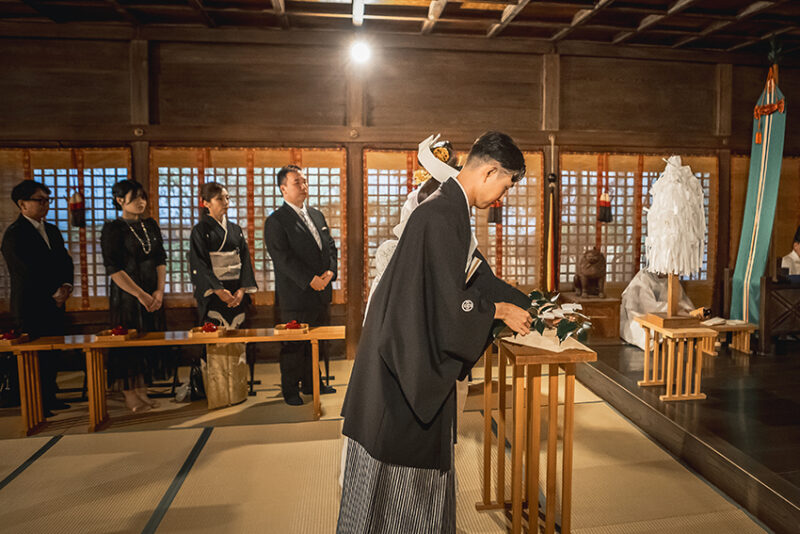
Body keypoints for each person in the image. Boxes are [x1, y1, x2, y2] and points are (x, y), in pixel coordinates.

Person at [337, 132, 533, 533]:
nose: (502, 196)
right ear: (490, 170)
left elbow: (459, 289)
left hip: (401, 355)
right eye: (505, 185)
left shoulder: (447, 209)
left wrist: (514, 303)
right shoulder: (443, 214)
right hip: (404, 370)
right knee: (402, 486)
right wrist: (495, 310)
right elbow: (448, 307)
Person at [264, 165, 338, 406]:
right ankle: (290, 389)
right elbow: (282, 258)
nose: (304, 186)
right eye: (297, 182)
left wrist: (330, 272)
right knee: (294, 344)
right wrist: (310, 279)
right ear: (283, 188)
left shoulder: (316, 215)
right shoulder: (276, 220)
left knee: (316, 341)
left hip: (320, 291)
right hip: (295, 294)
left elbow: (330, 247)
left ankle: (311, 383)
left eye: (305, 181)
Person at [1, 180, 74, 416]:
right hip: (31, 304)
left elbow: (65, 260)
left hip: (55, 302)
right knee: (34, 355)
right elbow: (26, 270)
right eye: (39, 200)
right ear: (22, 204)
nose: (45, 205)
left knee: (52, 352)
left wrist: (66, 285)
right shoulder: (14, 235)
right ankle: (35, 403)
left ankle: (50, 396)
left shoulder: (51, 230)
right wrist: (54, 291)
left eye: (47, 200)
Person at [100, 179, 166, 413]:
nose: (141, 202)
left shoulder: (151, 224)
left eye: (143, 197)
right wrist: (140, 294)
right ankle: (130, 394)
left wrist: (159, 290)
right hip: (127, 296)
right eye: (135, 197)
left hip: (152, 293)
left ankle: (142, 391)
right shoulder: (112, 229)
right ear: (120, 200)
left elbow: (160, 260)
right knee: (128, 344)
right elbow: (113, 269)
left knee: (147, 343)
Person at [190, 182, 257, 408]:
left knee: (236, 339)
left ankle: (237, 391)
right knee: (215, 341)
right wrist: (218, 290)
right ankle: (217, 394)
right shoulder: (200, 231)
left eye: (227, 198)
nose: (226, 203)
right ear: (205, 203)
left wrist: (241, 290)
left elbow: (245, 260)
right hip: (214, 294)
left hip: (235, 291)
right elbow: (199, 264)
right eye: (220, 199)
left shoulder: (236, 230)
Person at [619, 268, 695, 350]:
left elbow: (681, 300)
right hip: (639, 315)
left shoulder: (671, 279)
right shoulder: (643, 277)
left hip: (666, 316)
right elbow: (648, 306)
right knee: (644, 332)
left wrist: (687, 309)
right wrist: (673, 307)